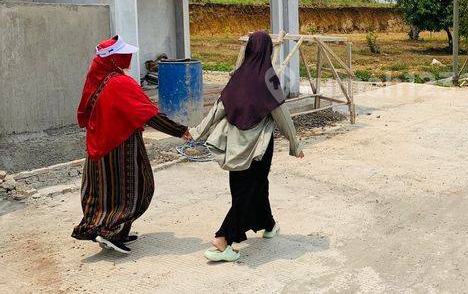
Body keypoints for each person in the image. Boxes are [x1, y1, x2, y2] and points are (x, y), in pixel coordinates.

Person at [189, 31, 304, 263]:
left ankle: (268, 224)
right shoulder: (269, 77)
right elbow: (281, 114)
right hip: (258, 149)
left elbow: (218, 108)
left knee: (249, 188)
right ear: (268, 51)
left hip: (235, 146)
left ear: (249, 49)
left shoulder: (238, 76)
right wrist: (295, 144)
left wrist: (195, 132)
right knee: (249, 191)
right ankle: (224, 240)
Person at [72, 35, 191, 254]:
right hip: (120, 145)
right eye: (124, 54)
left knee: (104, 189)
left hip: (100, 144)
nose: (129, 57)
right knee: (137, 186)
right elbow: (148, 114)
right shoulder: (120, 83)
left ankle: (112, 229)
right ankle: (110, 232)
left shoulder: (100, 78)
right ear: (115, 59)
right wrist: (180, 130)